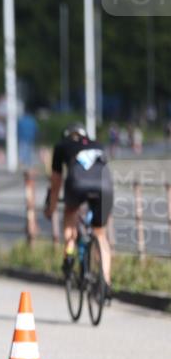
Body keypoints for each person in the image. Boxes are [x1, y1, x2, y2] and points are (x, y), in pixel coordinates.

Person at [45, 122, 114, 295]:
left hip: (77, 185)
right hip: (105, 188)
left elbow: (56, 182)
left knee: (70, 213)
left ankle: (69, 253)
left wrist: (51, 208)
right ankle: (105, 282)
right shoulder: (97, 145)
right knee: (100, 233)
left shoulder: (61, 146)